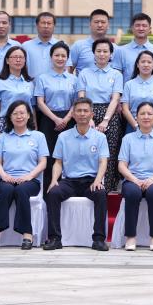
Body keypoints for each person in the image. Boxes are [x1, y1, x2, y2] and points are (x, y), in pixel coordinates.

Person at [43, 98, 111, 251]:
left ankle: (99, 239)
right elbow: (58, 162)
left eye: (85, 111)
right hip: (70, 181)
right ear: (73, 114)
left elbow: (103, 162)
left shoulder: (100, 137)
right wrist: (54, 180)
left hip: (90, 181)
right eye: (79, 111)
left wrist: (98, 180)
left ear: (91, 114)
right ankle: (55, 238)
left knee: (101, 194)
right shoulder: (63, 137)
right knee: (53, 193)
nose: (82, 114)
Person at [0, 101, 49, 250]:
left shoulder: (38, 136)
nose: (19, 116)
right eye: (15, 113)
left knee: (21, 190)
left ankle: (27, 234)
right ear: (10, 117)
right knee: (6, 190)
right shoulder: (3, 137)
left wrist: (29, 176)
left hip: (30, 180)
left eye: (22, 113)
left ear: (28, 115)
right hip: (6, 178)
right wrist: (4, 176)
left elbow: (43, 163)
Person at [117, 102, 153, 251]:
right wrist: (135, 180)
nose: (146, 117)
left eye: (149, 114)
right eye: (142, 114)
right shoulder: (128, 139)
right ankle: (130, 237)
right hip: (132, 179)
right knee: (132, 193)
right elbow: (121, 165)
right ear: (136, 117)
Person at [75, 38, 124, 192]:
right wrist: (89, 118)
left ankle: (107, 188)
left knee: (109, 152)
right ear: (93, 53)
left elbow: (115, 99)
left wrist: (105, 121)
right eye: (99, 51)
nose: (102, 54)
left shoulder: (116, 74)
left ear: (111, 54)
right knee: (87, 151)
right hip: (87, 112)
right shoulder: (84, 73)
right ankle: (87, 186)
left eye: (105, 51)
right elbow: (81, 97)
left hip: (109, 114)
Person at [34, 41, 77, 186]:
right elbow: (40, 102)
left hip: (69, 119)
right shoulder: (42, 78)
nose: (60, 58)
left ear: (67, 58)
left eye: (63, 56)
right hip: (48, 119)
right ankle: (48, 189)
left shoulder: (74, 79)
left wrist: (66, 118)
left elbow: (76, 102)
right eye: (57, 55)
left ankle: (67, 187)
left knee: (69, 154)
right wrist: (55, 119)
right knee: (49, 154)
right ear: (51, 57)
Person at [0, 46, 34, 143]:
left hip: (25, 123)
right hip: (5, 123)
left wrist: (35, 127)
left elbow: (32, 107)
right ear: (7, 61)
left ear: (25, 61)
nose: (18, 60)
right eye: (14, 57)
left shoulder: (29, 83)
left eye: (21, 57)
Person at [120, 50, 153, 132]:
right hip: (133, 126)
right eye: (143, 62)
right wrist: (136, 126)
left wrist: (150, 125)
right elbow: (125, 109)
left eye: (149, 62)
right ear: (137, 64)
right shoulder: (129, 84)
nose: (146, 65)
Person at [113, 12, 153, 83]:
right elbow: (117, 75)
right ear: (132, 28)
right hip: (128, 89)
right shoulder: (121, 51)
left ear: (150, 29)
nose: (141, 28)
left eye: (144, 26)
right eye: (137, 25)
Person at [68, 8, 112, 74]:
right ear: (90, 25)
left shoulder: (115, 49)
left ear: (108, 25)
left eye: (103, 22)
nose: (100, 25)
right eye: (96, 22)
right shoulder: (78, 46)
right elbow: (68, 71)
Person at [21, 11, 59, 80]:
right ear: (37, 25)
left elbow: (67, 69)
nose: (46, 26)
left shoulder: (61, 46)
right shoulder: (26, 46)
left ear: (54, 26)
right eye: (43, 23)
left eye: (49, 23)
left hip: (55, 86)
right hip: (31, 86)